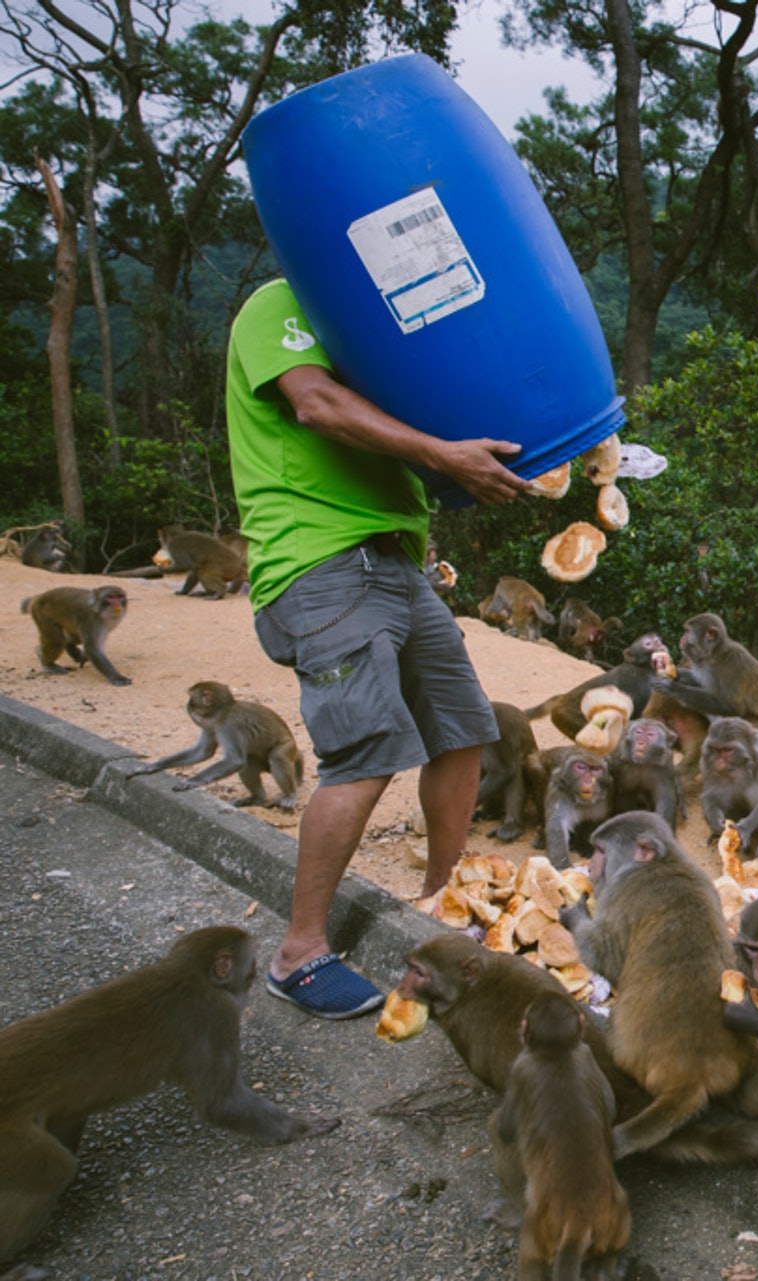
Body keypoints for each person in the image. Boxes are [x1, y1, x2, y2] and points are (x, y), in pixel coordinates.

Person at [226, 277, 529, 1017]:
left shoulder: (369, 328)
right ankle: (298, 952)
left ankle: (441, 903)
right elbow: (316, 403)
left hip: (395, 562)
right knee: (366, 752)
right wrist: (443, 455)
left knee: (462, 731)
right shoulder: (284, 301)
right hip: (318, 563)